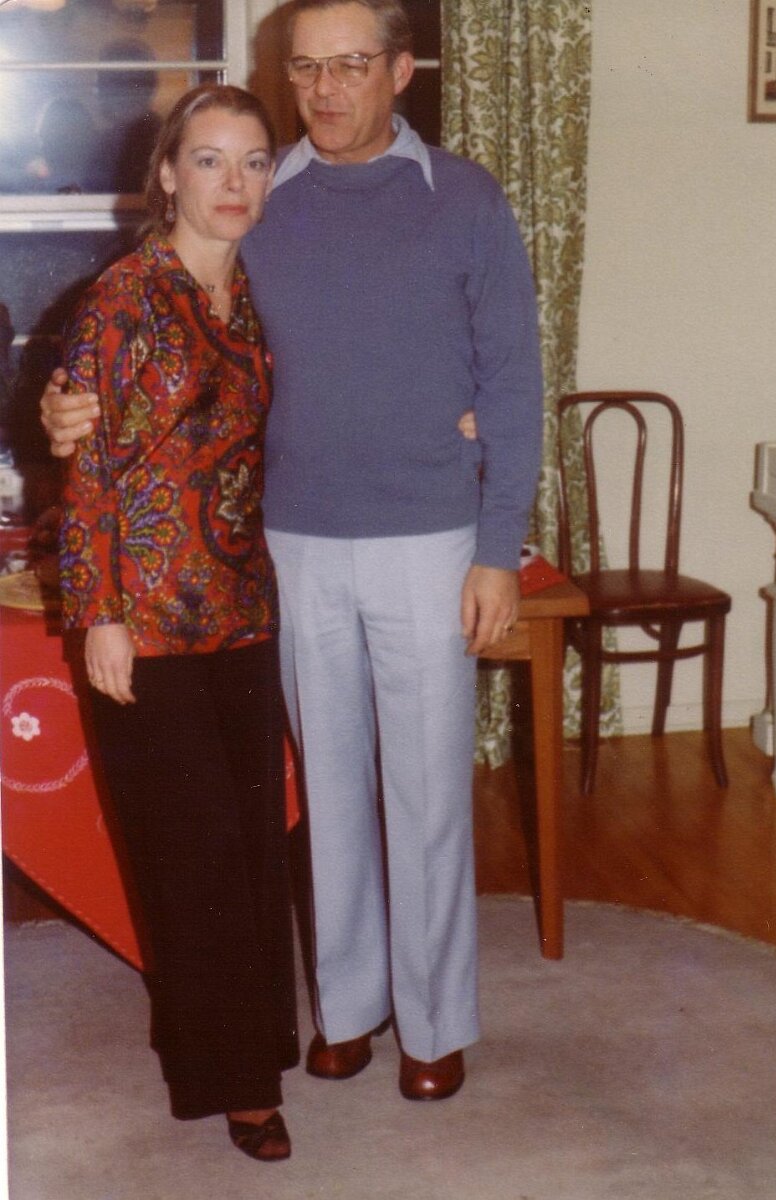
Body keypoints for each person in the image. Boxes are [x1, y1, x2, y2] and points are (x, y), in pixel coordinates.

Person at [43, 0, 543, 1104]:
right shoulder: (268, 201)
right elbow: (158, 316)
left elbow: (512, 379)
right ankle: (348, 1008)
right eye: (305, 67)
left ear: (400, 70)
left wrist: (497, 547)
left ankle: (434, 1021)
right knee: (326, 789)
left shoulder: (465, 200)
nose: (324, 89)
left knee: (427, 793)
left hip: (429, 537)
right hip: (289, 545)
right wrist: (65, 403)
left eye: (350, 64)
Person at [58, 84, 297, 1162]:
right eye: (209, 160)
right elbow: (89, 471)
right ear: (167, 174)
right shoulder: (123, 297)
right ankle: (237, 1086)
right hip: (147, 620)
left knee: (250, 848)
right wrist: (100, 614)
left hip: (243, 609)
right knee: (193, 855)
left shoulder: (252, 296)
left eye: (253, 161)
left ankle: (242, 1047)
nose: (233, 182)